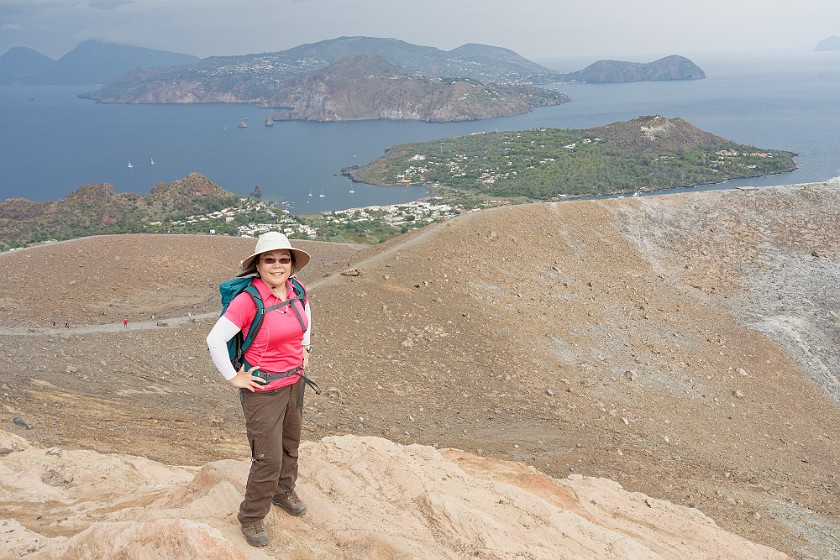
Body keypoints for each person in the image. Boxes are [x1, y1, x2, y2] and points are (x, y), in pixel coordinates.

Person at [205, 232, 313, 548]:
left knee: (290, 444)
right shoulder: (248, 300)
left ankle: (283, 492)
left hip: (294, 382)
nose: (277, 266)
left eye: (283, 259)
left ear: (292, 265)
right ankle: (251, 518)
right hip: (263, 388)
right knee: (268, 457)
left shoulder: (297, 289)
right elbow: (214, 340)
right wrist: (233, 377)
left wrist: (306, 346)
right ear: (258, 265)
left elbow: (306, 317)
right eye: (270, 259)